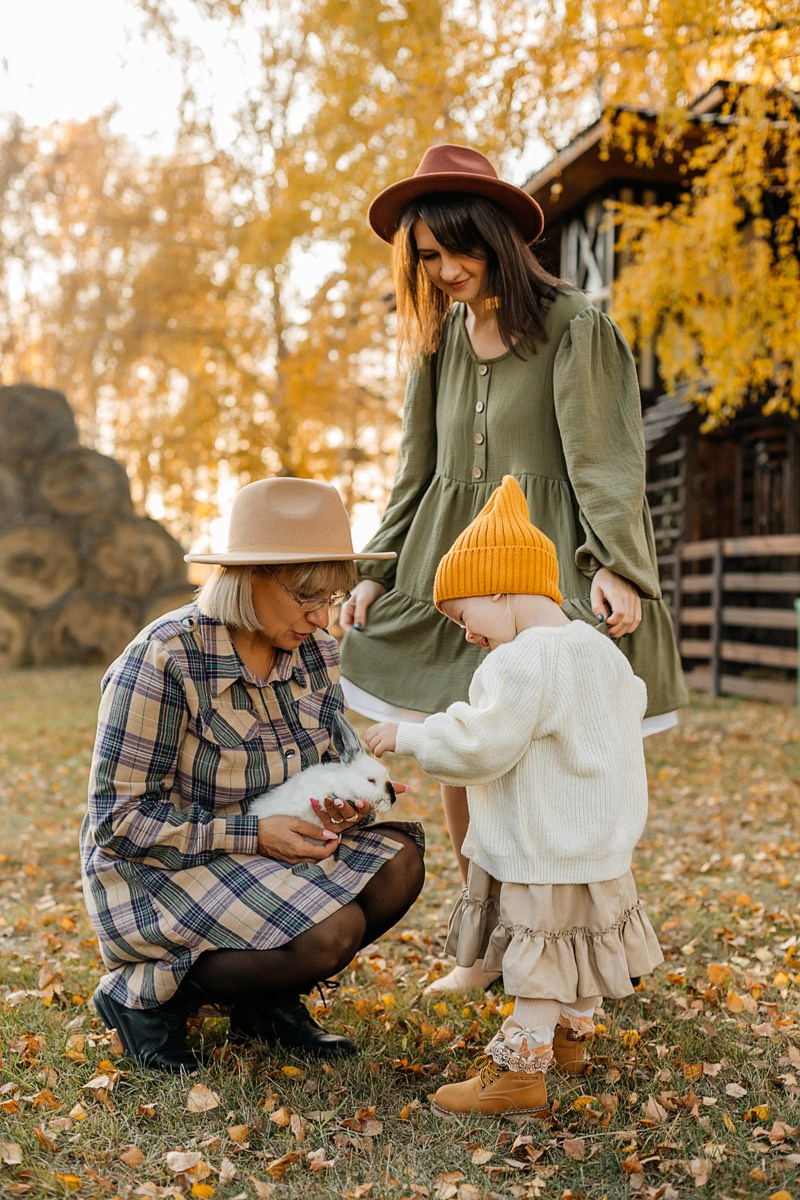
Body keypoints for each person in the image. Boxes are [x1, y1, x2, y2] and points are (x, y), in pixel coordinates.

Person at [339, 142, 686, 992]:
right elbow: (413, 467)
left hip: (538, 563)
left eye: (460, 248)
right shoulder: (438, 343)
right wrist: (377, 568)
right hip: (448, 574)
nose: (446, 268)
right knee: (466, 748)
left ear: (498, 238)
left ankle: (568, 943)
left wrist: (615, 564)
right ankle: (487, 946)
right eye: (427, 255)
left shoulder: (573, 326)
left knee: (534, 754)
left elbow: (604, 459)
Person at [80, 477, 425, 1073]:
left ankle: (262, 1000)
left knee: (400, 864)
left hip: (267, 852)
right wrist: (254, 835)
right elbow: (118, 823)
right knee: (330, 932)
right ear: (250, 578)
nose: (323, 618)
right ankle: (144, 1000)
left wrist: (340, 806)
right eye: (307, 597)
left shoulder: (315, 651)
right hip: (163, 868)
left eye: (333, 597)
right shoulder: (163, 660)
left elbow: (328, 762)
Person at [365, 476, 662, 1118]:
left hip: (543, 845)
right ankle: (570, 1034)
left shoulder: (517, 663)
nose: (469, 636)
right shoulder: (600, 652)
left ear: (501, 589)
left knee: (538, 955)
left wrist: (412, 735)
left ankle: (520, 1072)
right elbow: (627, 711)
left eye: (465, 616)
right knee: (582, 936)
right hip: (600, 842)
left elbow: (482, 745)